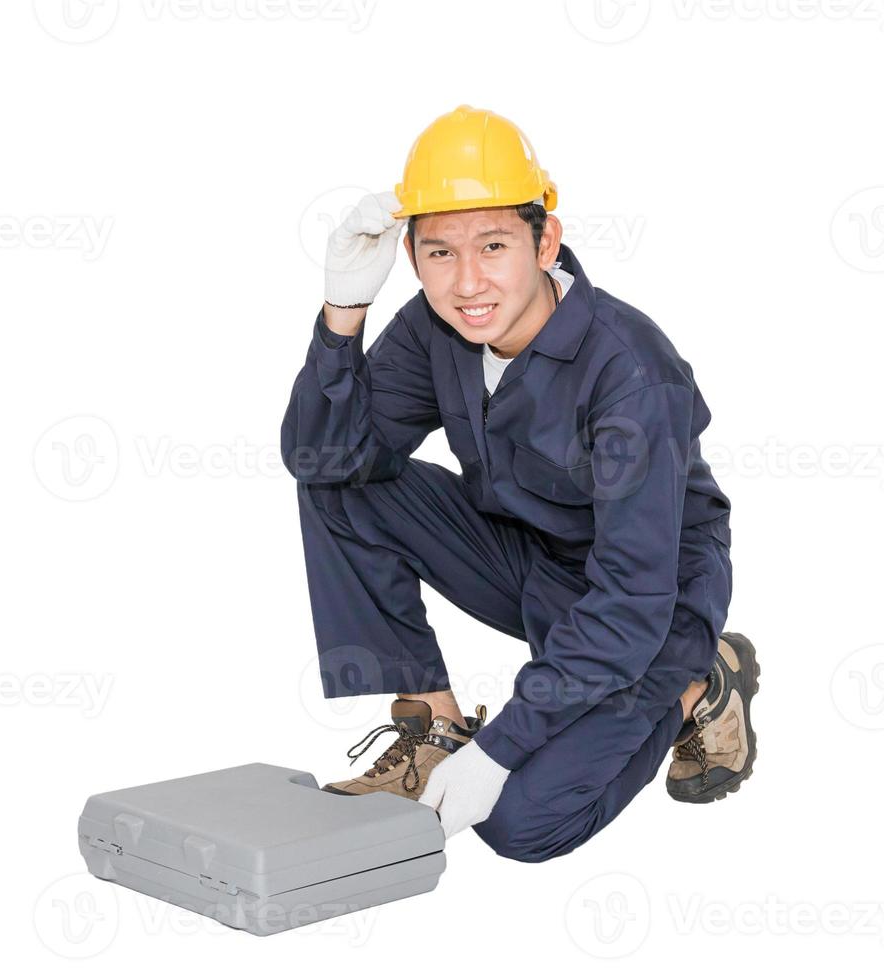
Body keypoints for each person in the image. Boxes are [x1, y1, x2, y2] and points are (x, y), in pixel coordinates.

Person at [280, 105, 758, 863]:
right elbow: (321, 458)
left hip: (650, 607)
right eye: (439, 252)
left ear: (546, 241)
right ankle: (435, 730)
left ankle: (695, 688)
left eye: (494, 245)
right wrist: (343, 312)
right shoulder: (439, 326)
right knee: (336, 482)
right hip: (528, 558)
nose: (468, 281)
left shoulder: (629, 370)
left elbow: (631, 601)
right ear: (410, 255)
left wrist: (499, 750)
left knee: (518, 825)